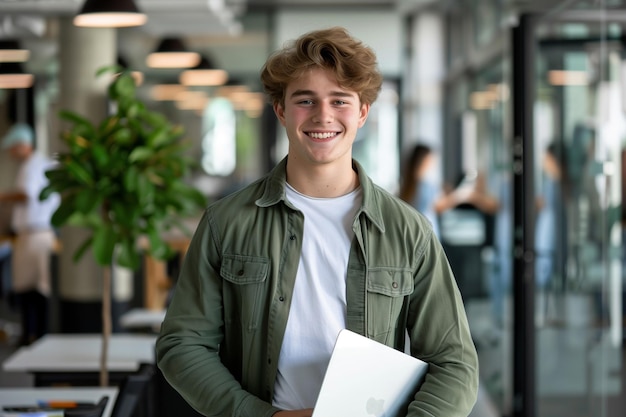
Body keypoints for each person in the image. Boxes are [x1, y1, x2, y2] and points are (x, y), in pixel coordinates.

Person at [156, 27, 479, 417]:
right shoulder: (226, 222)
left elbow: (454, 363)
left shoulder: (408, 231)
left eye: (339, 101)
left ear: (362, 113)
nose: (323, 115)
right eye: (305, 100)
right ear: (281, 110)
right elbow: (182, 344)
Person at [0, 122, 60, 345]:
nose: (11, 153)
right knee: (31, 288)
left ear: (23, 145)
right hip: (35, 234)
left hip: (35, 234)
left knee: (32, 289)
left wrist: (2, 197)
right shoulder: (38, 164)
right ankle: (33, 335)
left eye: (13, 148)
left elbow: (26, 195)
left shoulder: (32, 166)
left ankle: (33, 336)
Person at [398, 143, 443, 237]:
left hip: (413, 235)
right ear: (425, 160)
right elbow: (439, 206)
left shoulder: (405, 185)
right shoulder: (426, 186)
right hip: (427, 236)